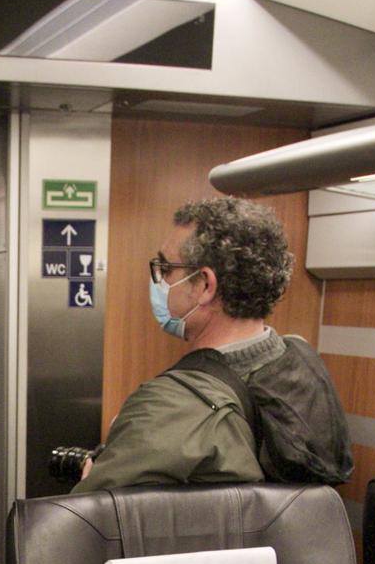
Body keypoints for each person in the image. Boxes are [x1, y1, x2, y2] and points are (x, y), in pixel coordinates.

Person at [75, 196, 351, 492]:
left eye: (166, 268)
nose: (158, 279)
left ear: (205, 285)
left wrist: (97, 472)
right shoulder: (303, 362)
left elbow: (88, 520)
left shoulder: (166, 408)